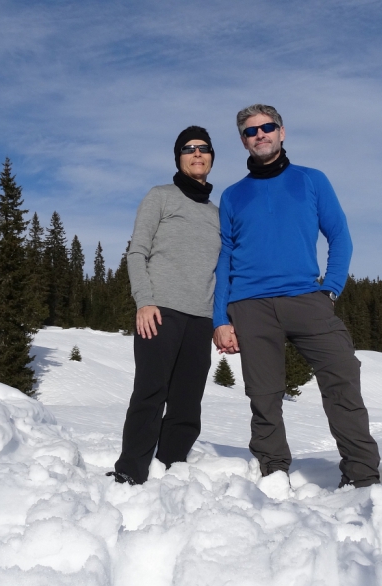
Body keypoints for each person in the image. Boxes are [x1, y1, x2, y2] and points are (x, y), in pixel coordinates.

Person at [212, 104, 381, 488]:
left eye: (267, 127)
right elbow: (224, 258)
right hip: (250, 305)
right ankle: (273, 472)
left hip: (307, 299)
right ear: (243, 140)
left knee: (342, 377)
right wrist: (220, 318)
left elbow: (339, 236)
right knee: (264, 394)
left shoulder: (311, 180)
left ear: (282, 132)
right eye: (251, 131)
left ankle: (361, 475)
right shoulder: (234, 196)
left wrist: (331, 289)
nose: (260, 135)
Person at [109, 126, 221, 485]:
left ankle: (171, 468)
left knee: (188, 402)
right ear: (179, 158)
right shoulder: (161, 197)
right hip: (160, 312)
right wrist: (144, 301)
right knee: (150, 392)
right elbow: (137, 252)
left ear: (211, 157)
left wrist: (221, 319)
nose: (197, 153)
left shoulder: (218, 215)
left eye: (203, 148)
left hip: (201, 317)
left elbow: (222, 271)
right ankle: (131, 471)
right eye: (189, 149)